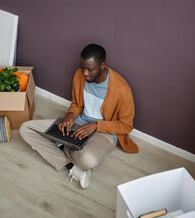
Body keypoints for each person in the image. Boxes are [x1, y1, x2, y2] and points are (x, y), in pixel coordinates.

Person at [19, 43, 138, 189]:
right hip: (78, 124)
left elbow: (126, 126)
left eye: (90, 69)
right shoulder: (79, 76)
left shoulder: (122, 89)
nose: (85, 73)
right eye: (83, 68)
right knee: (26, 128)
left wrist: (96, 125)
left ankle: (62, 145)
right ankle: (72, 166)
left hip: (104, 133)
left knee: (88, 161)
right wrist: (69, 115)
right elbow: (76, 103)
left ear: (102, 65)